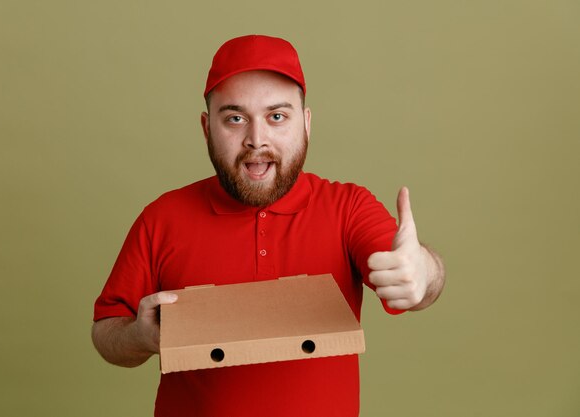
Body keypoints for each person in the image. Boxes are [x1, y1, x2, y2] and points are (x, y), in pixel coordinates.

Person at [92, 34, 445, 417]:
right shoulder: (161, 218)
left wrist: (423, 271)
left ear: (306, 124)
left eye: (277, 116)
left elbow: (418, 280)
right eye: (235, 118)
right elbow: (107, 333)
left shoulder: (348, 208)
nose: (256, 140)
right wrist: (140, 337)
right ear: (206, 128)